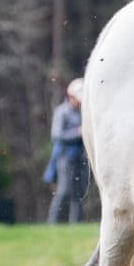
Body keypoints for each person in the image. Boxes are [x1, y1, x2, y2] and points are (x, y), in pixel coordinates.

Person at [46, 78, 89, 223]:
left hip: (80, 157)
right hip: (64, 157)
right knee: (63, 191)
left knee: (78, 193)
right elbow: (57, 135)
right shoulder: (62, 112)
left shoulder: (84, 112)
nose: (80, 102)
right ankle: (52, 222)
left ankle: (76, 224)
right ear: (70, 96)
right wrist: (77, 133)